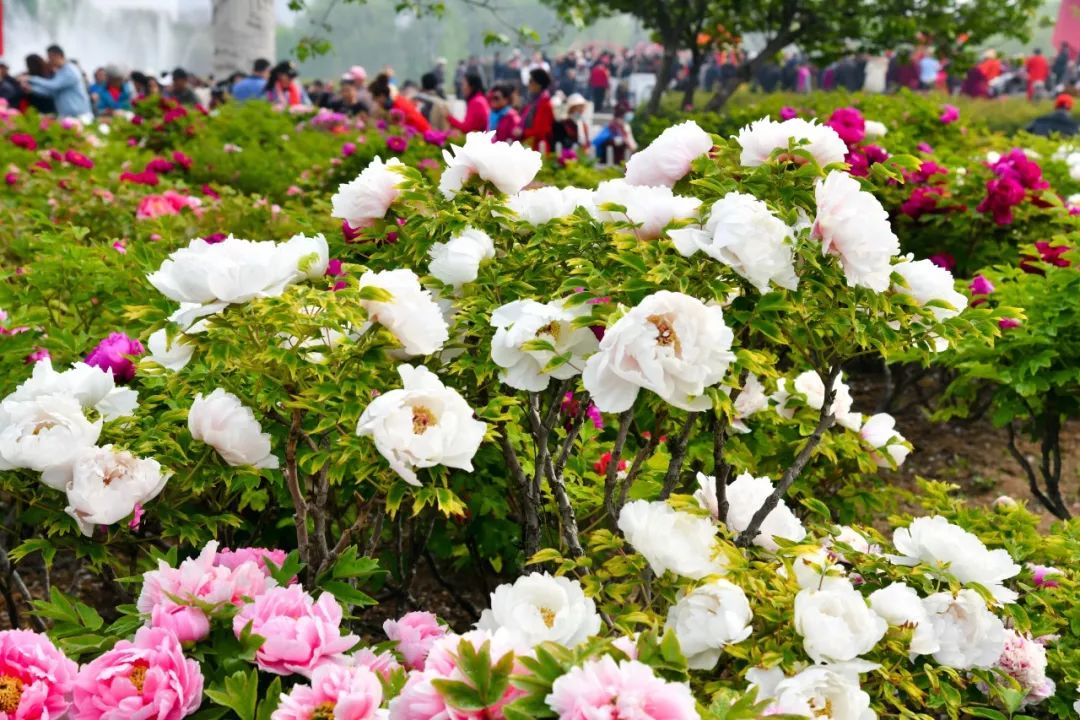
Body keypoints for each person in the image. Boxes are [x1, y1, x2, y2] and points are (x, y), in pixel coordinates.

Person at [22, 45, 91, 120]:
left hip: (80, 116)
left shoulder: (70, 70)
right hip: (66, 117)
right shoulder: (60, 72)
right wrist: (32, 89)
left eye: (50, 57)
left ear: (58, 56)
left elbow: (54, 85)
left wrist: (31, 78)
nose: (48, 60)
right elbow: (52, 92)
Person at [521, 67, 554, 152]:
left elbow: (541, 131)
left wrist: (522, 132)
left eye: (531, 81)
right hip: (529, 146)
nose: (528, 84)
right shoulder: (532, 102)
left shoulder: (545, 104)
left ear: (539, 84)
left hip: (539, 149)